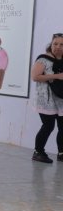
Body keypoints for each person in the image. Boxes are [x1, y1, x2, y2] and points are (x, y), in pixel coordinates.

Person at [30, 33, 63, 163]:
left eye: (61, 44)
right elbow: (35, 77)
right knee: (48, 126)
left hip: (61, 99)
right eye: (55, 44)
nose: (58, 47)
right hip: (46, 100)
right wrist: (57, 76)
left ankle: (61, 153)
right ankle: (38, 152)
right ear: (51, 44)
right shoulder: (43, 59)